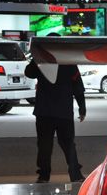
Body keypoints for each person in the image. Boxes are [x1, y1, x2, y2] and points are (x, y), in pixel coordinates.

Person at [25, 34, 86, 183]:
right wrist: (82, 107)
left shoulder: (41, 59)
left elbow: (29, 73)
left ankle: (44, 176)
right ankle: (75, 175)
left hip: (44, 111)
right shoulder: (68, 61)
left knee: (44, 145)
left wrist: (37, 56)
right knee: (68, 144)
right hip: (63, 110)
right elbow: (77, 86)